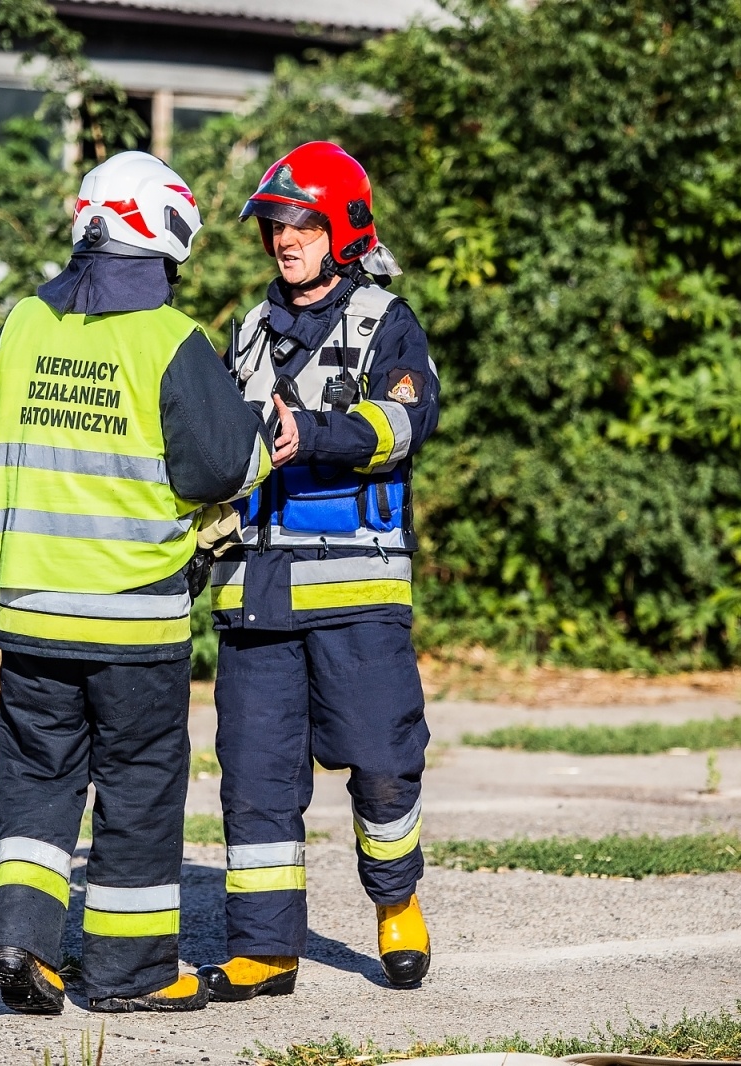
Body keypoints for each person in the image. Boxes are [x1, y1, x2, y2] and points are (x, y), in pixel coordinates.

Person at [0, 150, 270, 1015]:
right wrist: (259, 442)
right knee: (136, 784)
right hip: (134, 619)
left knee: (35, 777)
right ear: (163, 236)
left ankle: (23, 940)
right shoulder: (170, 340)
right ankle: (129, 974)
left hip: (32, 613)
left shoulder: (24, 323)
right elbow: (216, 466)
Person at [197, 141, 441, 1001]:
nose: (281, 239)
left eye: (297, 221)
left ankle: (396, 900)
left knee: (382, 758)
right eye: (273, 224)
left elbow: (410, 423)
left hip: (358, 592)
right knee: (256, 777)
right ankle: (266, 950)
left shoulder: (385, 321)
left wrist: (319, 433)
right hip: (255, 595)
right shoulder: (246, 332)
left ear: (340, 226)